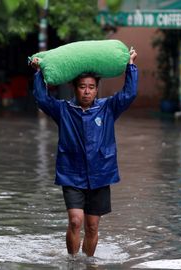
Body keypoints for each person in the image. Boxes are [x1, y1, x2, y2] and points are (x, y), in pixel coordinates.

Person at [31, 48, 138, 259]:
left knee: (92, 226)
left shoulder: (108, 108)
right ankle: (72, 261)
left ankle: (88, 263)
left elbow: (129, 94)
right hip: (71, 173)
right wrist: (38, 73)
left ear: (97, 90)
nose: (87, 92)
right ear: (74, 88)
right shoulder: (63, 110)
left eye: (91, 87)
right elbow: (42, 99)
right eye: (82, 87)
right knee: (75, 220)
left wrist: (131, 66)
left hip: (100, 174)